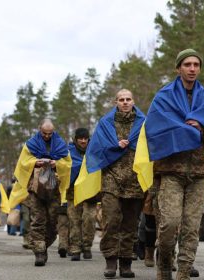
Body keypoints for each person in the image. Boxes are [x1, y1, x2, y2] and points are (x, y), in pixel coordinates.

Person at [134, 49, 204, 280]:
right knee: (168, 225)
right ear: (178, 68)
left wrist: (201, 128)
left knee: (190, 229)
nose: (192, 68)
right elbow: (155, 131)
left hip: (198, 172)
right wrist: (185, 127)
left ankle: (184, 273)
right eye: (187, 64)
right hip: (170, 172)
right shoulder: (163, 97)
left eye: (196, 64)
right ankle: (165, 265)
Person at [74, 89, 145, 278]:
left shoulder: (143, 123)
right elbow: (95, 150)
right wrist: (115, 146)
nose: (125, 102)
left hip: (135, 180)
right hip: (110, 179)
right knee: (111, 221)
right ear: (116, 102)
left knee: (130, 224)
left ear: (133, 101)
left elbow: (150, 147)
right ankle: (111, 261)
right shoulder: (105, 123)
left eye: (128, 99)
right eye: (121, 99)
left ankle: (127, 262)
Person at [9, 119, 71, 266]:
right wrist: (34, 162)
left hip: (55, 189)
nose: (47, 136)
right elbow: (22, 162)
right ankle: (39, 252)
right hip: (35, 188)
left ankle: (43, 244)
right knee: (37, 220)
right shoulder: (30, 144)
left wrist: (58, 164)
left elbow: (68, 163)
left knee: (52, 221)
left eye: (50, 133)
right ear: (39, 130)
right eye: (44, 133)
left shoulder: (61, 144)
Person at [64, 127, 97, 261]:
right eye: (80, 139)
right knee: (74, 220)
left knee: (90, 218)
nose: (83, 141)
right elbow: (64, 168)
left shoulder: (94, 150)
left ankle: (87, 246)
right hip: (73, 192)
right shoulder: (68, 152)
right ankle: (75, 248)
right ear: (75, 139)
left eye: (85, 138)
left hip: (90, 191)